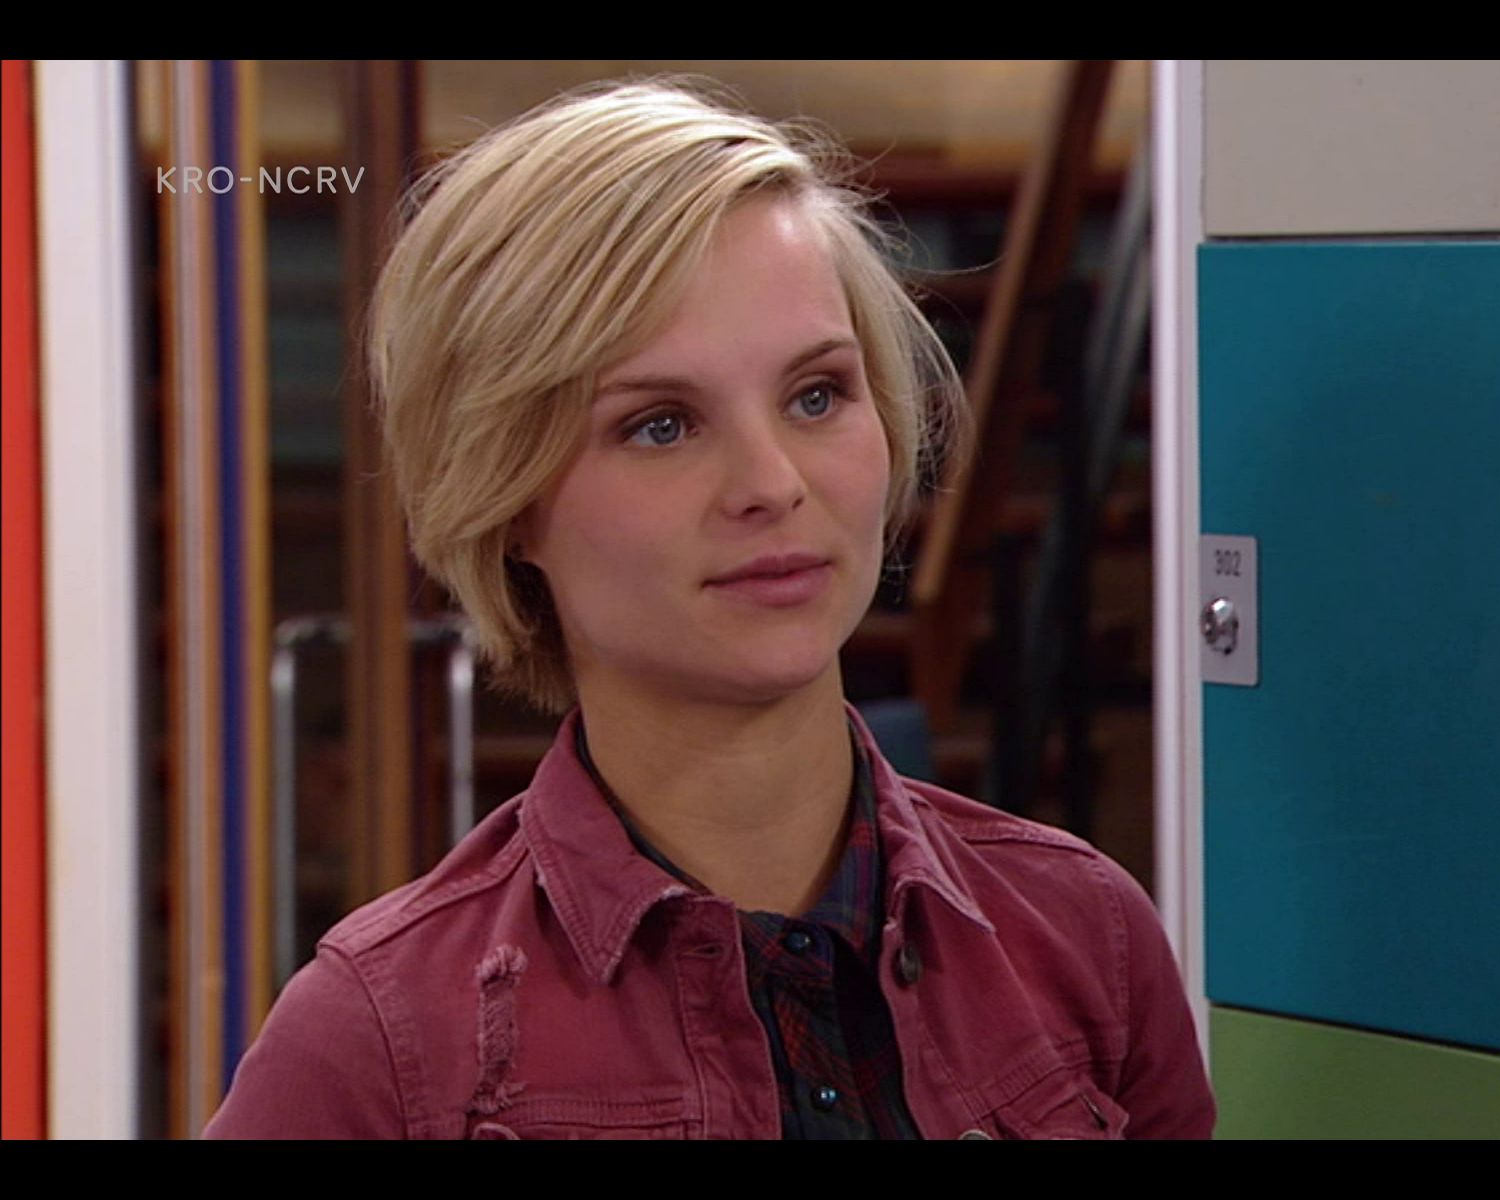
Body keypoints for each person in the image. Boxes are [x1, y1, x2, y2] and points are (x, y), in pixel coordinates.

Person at [203, 77, 1214, 1140]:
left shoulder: (1083, 938)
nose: (772, 483)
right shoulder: (383, 1044)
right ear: (507, 501)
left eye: (816, 395)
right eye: (662, 424)